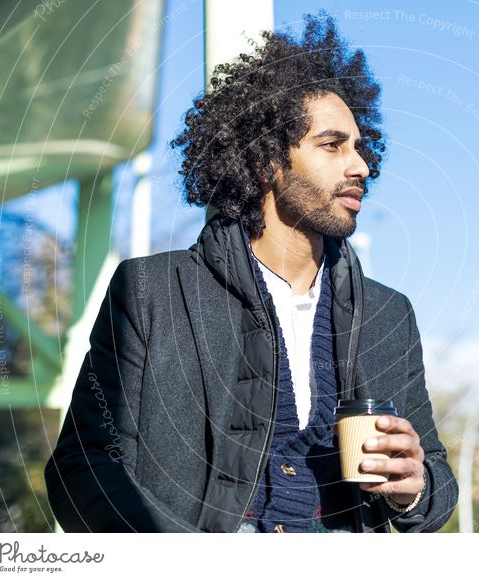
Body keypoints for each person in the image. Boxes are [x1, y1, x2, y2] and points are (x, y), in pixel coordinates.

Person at [44, 13, 458, 533]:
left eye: (360, 147)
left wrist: (414, 487)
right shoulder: (152, 292)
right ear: (265, 161)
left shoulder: (388, 313)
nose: (362, 167)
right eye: (333, 146)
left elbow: (435, 483)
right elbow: (82, 469)